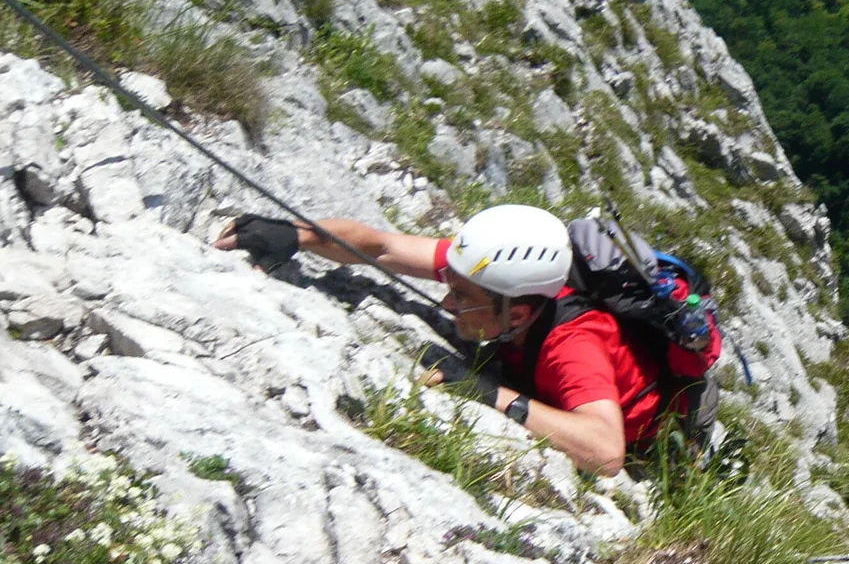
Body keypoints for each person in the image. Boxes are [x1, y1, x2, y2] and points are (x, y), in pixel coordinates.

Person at [216, 204, 721, 476]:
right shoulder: (491, 276)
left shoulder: (572, 345)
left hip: (651, 446)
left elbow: (606, 451)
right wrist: (295, 234)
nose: (447, 300)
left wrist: (491, 395)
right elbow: (383, 247)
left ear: (517, 313)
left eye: (461, 296)